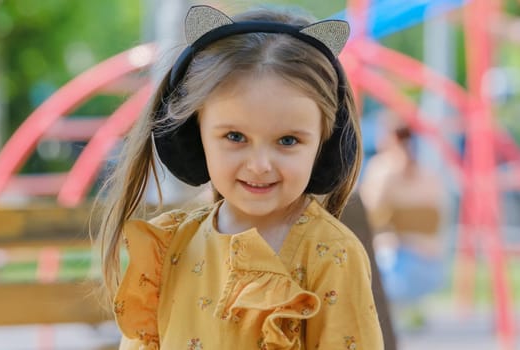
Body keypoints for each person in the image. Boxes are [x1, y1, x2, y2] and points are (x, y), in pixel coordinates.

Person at [95, 5, 384, 349]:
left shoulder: (332, 255)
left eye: (288, 141)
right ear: (194, 134)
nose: (260, 164)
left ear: (325, 142)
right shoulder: (171, 247)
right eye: (235, 137)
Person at [360, 123, 446, 329]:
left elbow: (368, 211)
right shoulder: (430, 174)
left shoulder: (383, 169)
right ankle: (411, 313)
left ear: (389, 140)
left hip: (396, 267)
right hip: (432, 264)